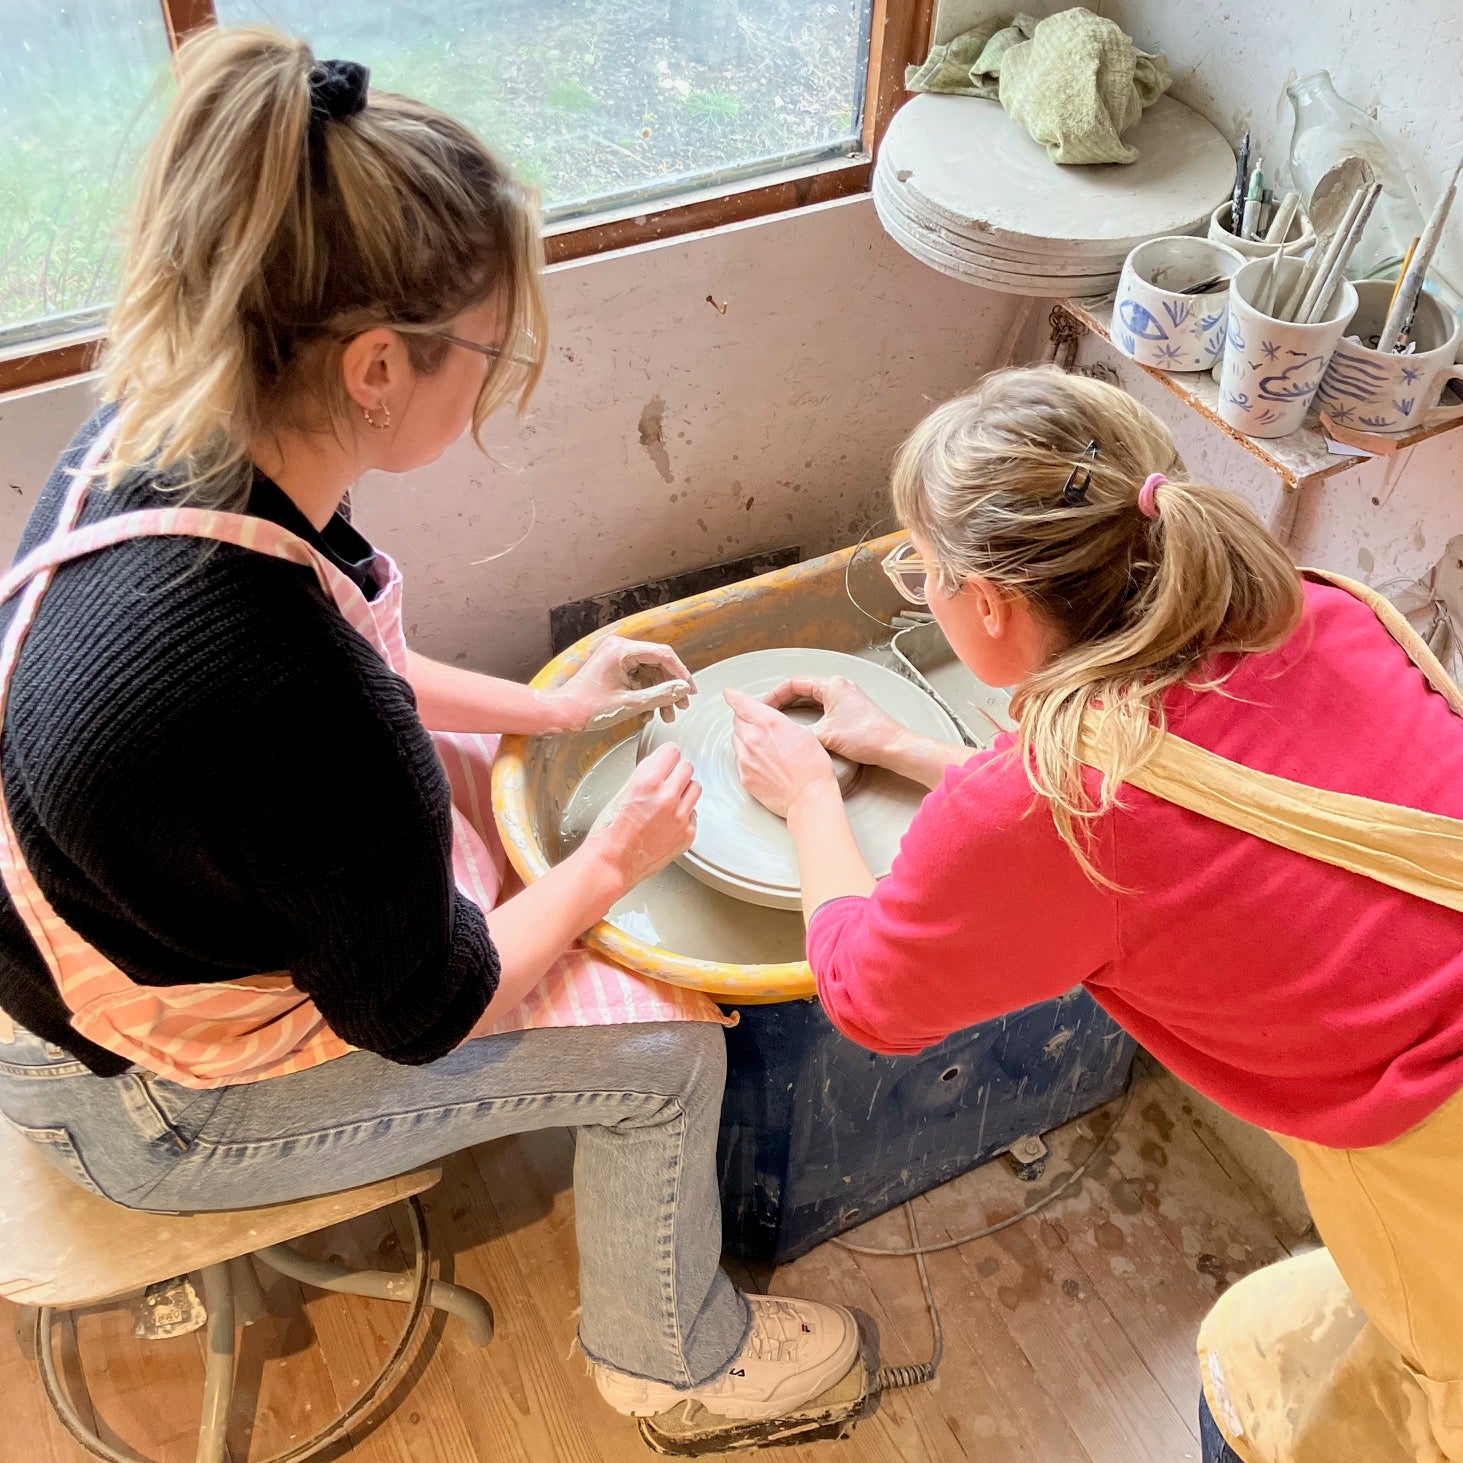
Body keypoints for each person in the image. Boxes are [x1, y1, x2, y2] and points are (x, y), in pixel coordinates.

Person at [0, 25, 860, 1428]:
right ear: (375, 367)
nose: (500, 369)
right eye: (488, 345)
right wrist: (617, 855)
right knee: (669, 1050)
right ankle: (674, 1361)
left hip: (83, 935)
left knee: (505, 796)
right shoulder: (275, 682)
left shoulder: (164, 427)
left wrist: (554, 704)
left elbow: (351, 671)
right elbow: (424, 1007)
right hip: (140, 1096)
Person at [726, 365, 1463, 1463]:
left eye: (918, 571)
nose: (919, 588)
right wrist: (898, 748)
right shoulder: (1310, 610)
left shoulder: (1046, 806)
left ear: (987, 603)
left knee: (1273, 1410)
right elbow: (1173, 805)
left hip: (1429, 1161)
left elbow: (866, 992)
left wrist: (805, 797)